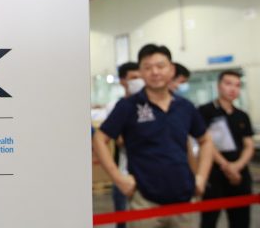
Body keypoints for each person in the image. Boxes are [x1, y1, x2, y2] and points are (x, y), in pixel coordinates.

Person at [93, 44, 213, 228]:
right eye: (148, 67)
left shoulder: (185, 107)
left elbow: (205, 140)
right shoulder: (128, 106)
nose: (155, 72)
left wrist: (201, 178)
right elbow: (100, 139)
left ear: (171, 69)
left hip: (184, 200)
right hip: (145, 201)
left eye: (160, 66)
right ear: (141, 72)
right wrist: (118, 179)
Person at [198, 70, 254, 228]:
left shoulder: (242, 115)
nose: (232, 89)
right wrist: (227, 166)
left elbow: (248, 145)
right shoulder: (205, 111)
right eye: (228, 84)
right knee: (209, 220)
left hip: (240, 175)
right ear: (218, 86)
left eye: (237, 85)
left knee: (241, 220)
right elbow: (205, 142)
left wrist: (237, 166)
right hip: (214, 174)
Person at [109, 62, 143, 228]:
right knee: (122, 216)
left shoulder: (147, 104)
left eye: (140, 77)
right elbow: (118, 139)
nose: (139, 81)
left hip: (148, 172)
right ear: (123, 81)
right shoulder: (119, 106)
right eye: (134, 78)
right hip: (124, 171)